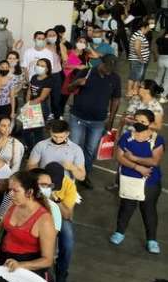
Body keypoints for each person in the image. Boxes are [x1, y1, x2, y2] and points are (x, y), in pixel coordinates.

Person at [111, 109, 164, 255]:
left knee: (148, 210)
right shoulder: (127, 137)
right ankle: (119, 232)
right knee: (126, 207)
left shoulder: (156, 140)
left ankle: (152, 240)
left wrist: (133, 158)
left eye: (143, 122)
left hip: (150, 182)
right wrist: (137, 167)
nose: (139, 124)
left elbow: (155, 160)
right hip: (129, 179)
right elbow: (120, 157)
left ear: (150, 123)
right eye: (136, 120)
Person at [68, 54, 121, 189]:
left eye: (112, 68)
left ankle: (84, 174)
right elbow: (69, 88)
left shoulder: (115, 78)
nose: (110, 70)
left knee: (90, 150)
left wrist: (111, 119)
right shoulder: (86, 72)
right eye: (108, 67)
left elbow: (116, 99)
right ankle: (70, 175)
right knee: (74, 146)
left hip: (98, 121)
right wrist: (76, 83)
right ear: (101, 63)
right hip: (78, 117)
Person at [0, 171, 56, 277]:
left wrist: (20, 265)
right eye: (9, 190)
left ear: (29, 192)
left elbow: (47, 260)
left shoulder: (44, 220)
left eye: (15, 191)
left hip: (25, 266)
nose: (10, 194)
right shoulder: (14, 204)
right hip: (3, 256)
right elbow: (2, 223)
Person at [21, 58, 53, 151]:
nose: (39, 67)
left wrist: (28, 105)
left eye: (42, 66)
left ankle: (38, 151)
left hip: (40, 107)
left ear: (47, 69)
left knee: (37, 132)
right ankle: (31, 148)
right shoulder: (34, 77)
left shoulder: (49, 80)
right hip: (31, 105)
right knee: (26, 131)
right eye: (38, 64)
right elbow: (29, 90)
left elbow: (42, 97)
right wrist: (27, 103)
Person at [128, 19, 152, 97]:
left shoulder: (137, 34)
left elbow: (138, 46)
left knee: (133, 76)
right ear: (144, 27)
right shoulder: (139, 35)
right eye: (148, 27)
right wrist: (141, 58)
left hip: (135, 59)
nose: (149, 29)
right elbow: (136, 47)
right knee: (137, 77)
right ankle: (133, 92)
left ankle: (131, 92)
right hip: (137, 60)